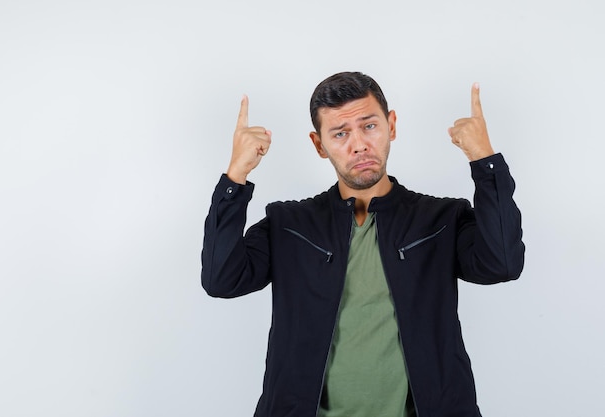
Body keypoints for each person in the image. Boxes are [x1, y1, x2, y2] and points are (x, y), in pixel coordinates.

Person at [201, 72, 525, 417]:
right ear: (319, 145)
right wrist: (236, 175)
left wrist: (485, 160)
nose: (358, 145)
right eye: (340, 133)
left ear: (391, 125)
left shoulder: (441, 218)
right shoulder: (289, 224)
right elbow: (223, 279)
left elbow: (502, 263)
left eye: (369, 126)